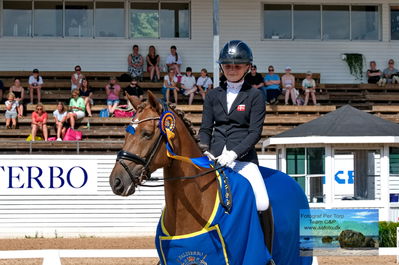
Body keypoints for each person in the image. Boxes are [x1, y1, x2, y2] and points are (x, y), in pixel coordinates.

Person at [199, 41, 270, 248]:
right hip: (213, 158)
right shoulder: (212, 95)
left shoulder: (255, 96)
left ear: (248, 67)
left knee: (262, 201)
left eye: (237, 66)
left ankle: (265, 250)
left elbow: (255, 133)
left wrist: (233, 154)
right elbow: (205, 129)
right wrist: (205, 149)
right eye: (227, 66)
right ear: (221, 67)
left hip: (243, 160)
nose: (232, 70)